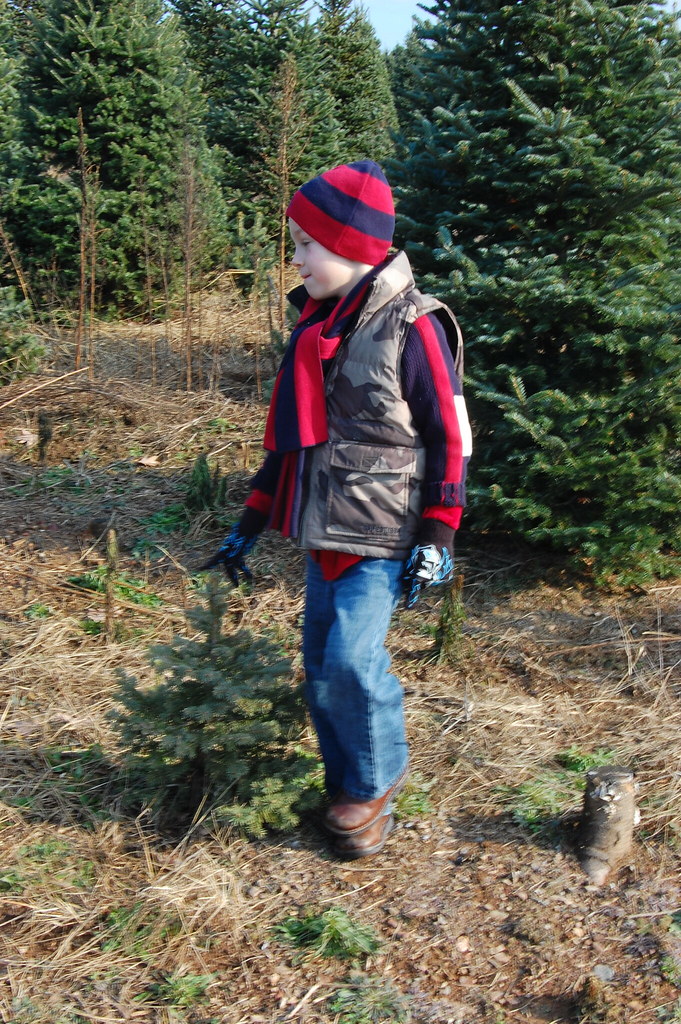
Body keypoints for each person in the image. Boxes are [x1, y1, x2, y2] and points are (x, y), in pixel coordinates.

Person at [202, 161, 472, 859]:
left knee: (353, 661)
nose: (295, 259)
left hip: (382, 535)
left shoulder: (412, 328)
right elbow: (291, 444)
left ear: (351, 245)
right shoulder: (319, 328)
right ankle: (347, 781)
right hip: (324, 530)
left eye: (304, 245)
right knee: (321, 667)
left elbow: (449, 435)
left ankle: (376, 782)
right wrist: (249, 525)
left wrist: (438, 535)